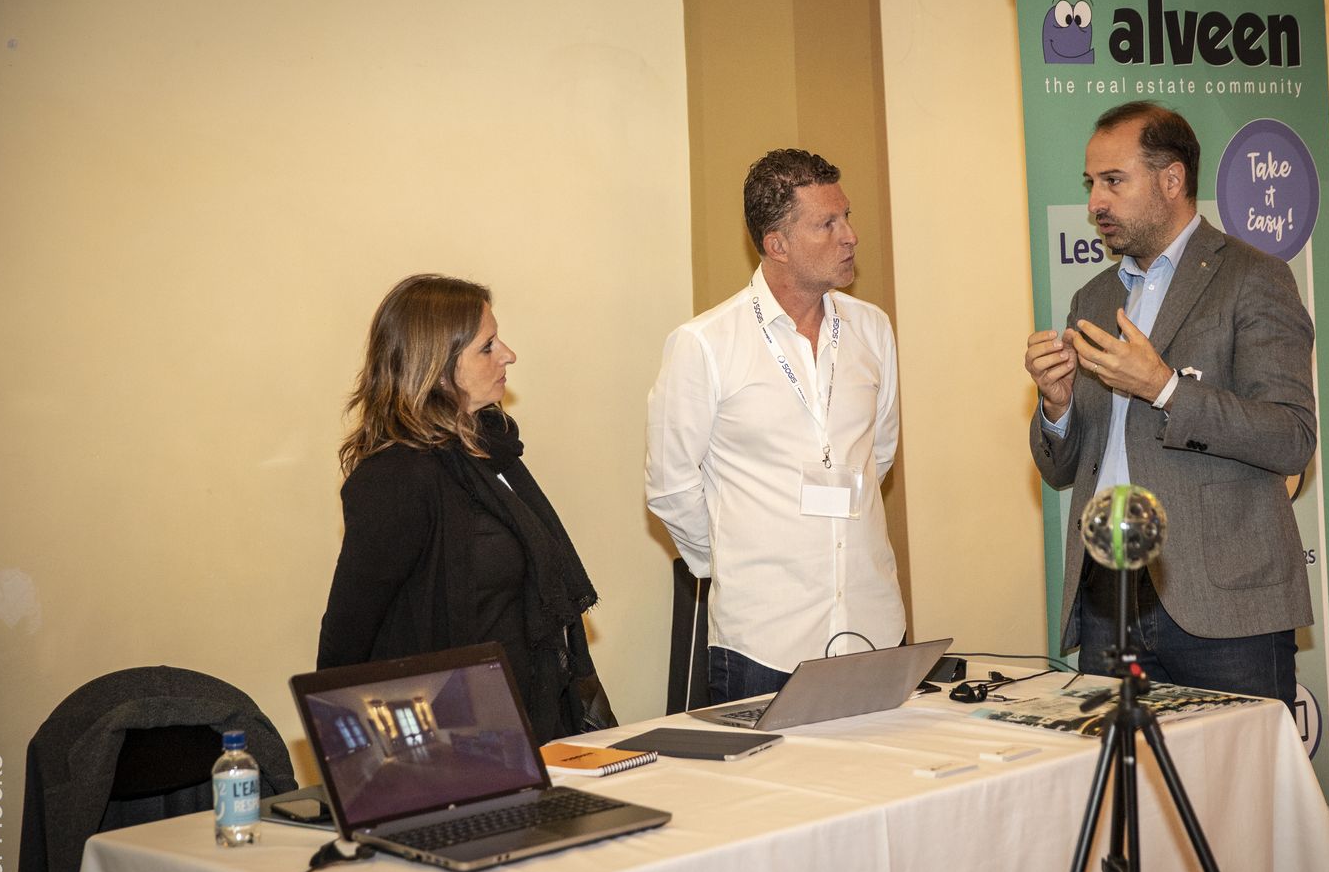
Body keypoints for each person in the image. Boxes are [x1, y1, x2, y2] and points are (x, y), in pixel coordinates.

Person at [1024, 103, 1329, 872]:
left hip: (1225, 601)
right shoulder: (1093, 299)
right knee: (1128, 830)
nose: (1095, 202)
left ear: (1171, 180)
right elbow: (1065, 464)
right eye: (1090, 184)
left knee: (1262, 821)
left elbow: (1292, 436)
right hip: (1111, 596)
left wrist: (1166, 387)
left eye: (1113, 181)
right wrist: (1054, 408)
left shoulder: (1253, 277)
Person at [646, 149, 904, 702]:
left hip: (873, 626)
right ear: (777, 245)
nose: (850, 236)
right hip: (764, 643)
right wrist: (736, 563)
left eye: (847, 216)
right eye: (827, 224)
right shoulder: (705, 344)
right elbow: (670, 486)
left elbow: (878, 454)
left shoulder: (873, 329)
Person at [318, 274, 611, 746]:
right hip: (446, 736)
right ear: (436, 368)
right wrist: (348, 752)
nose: (508, 355)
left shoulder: (490, 451)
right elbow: (348, 633)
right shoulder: (396, 477)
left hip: (526, 714)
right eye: (487, 347)